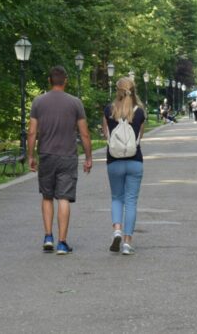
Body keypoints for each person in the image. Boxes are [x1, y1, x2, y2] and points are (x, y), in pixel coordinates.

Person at [27, 66, 93, 255]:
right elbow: (84, 133)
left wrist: (31, 156)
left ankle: (48, 237)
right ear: (66, 81)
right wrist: (88, 157)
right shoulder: (75, 103)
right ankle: (62, 243)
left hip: (46, 154)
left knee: (47, 196)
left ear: (49, 81)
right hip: (68, 156)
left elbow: (32, 132)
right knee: (64, 198)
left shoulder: (38, 102)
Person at [102, 77, 146, 255]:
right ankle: (127, 243)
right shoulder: (140, 112)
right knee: (131, 201)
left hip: (114, 161)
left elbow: (106, 135)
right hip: (135, 161)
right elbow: (139, 137)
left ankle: (117, 231)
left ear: (117, 91)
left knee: (116, 198)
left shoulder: (109, 110)